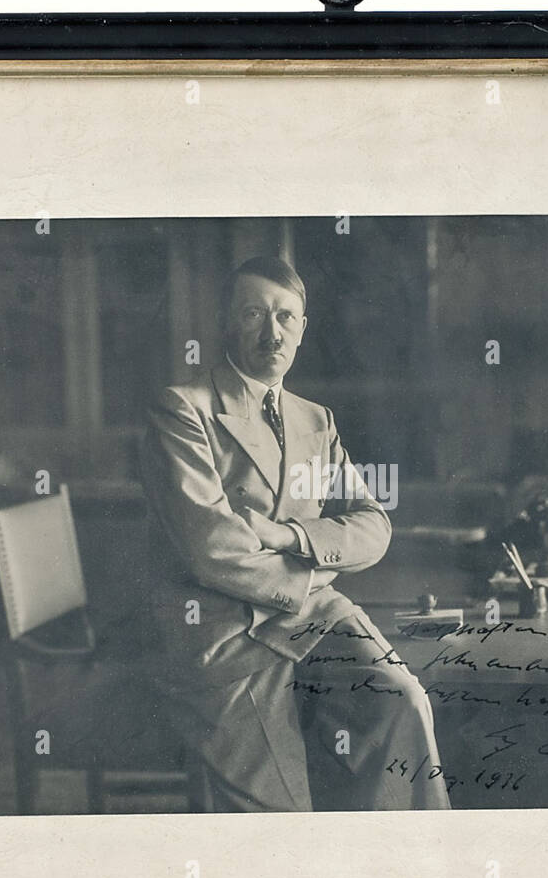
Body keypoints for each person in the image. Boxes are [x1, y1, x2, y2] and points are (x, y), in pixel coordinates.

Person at [140, 255, 450, 813]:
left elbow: (374, 525)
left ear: (303, 329)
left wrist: (290, 539)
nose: (271, 331)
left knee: (403, 708)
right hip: (223, 634)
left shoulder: (316, 420)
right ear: (228, 322)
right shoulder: (184, 409)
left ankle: (403, 876)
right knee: (281, 807)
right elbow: (213, 550)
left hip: (311, 618)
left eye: (286, 316)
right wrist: (317, 573)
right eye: (254, 313)